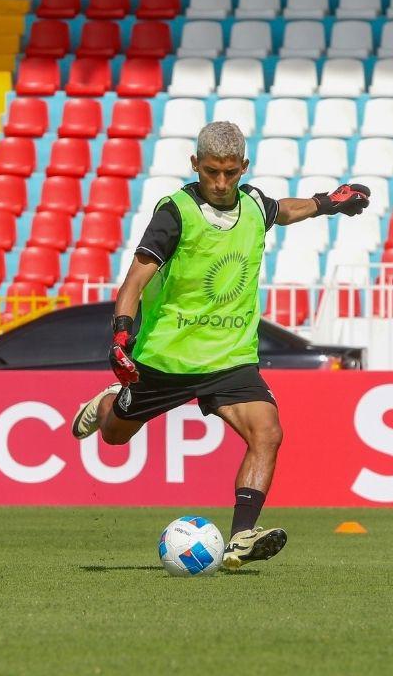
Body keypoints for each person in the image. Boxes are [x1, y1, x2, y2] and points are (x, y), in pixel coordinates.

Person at [70, 121, 371, 570]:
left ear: (243, 167)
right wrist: (120, 336)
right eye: (211, 171)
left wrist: (329, 203)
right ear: (195, 164)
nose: (221, 182)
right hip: (167, 356)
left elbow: (286, 210)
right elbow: (135, 279)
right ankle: (108, 403)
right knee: (114, 436)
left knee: (267, 432)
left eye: (230, 172)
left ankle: (242, 536)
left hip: (230, 357)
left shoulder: (254, 205)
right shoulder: (175, 212)